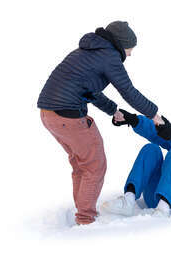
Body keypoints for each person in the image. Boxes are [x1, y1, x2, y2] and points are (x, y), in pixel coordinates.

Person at [38, 21, 163, 225]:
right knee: (95, 166)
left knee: (81, 164)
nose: (130, 55)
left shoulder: (88, 52)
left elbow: (88, 91)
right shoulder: (110, 56)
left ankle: (82, 212)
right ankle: (86, 219)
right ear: (121, 44)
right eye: (130, 49)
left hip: (49, 115)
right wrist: (154, 114)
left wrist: (113, 110)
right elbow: (128, 91)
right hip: (68, 116)